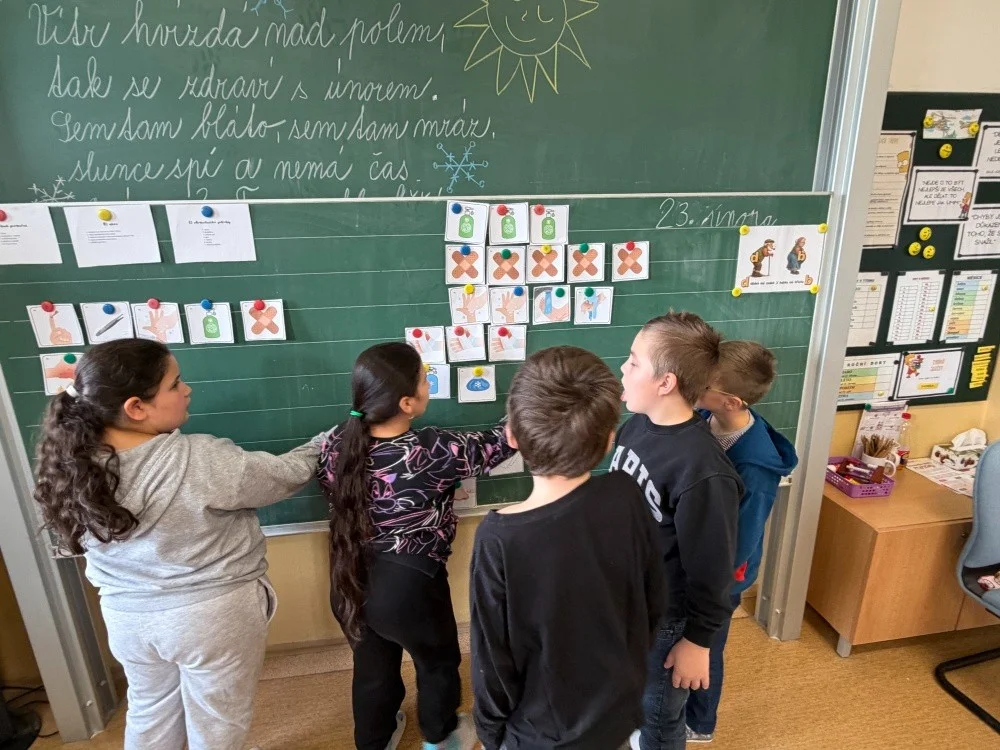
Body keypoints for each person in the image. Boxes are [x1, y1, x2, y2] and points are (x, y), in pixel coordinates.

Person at [32, 339, 324, 750]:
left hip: (128, 618)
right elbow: (282, 476)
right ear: (136, 407)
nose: (187, 390)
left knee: (149, 710)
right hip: (210, 616)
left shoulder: (69, 468)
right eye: (175, 384)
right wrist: (322, 444)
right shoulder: (199, 458)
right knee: (217, 719)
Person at [318, 342, 516, 750]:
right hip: (410, 584)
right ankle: (440, 735)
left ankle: (373, 741)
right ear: (407, 403)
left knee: (371, 666)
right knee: (437, 661)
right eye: (425, 380)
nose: (429, 385)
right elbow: (498, 443)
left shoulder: (335, 443)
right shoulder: (431, 448)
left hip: (349, 577)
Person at [470, 346, 666, 750]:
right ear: (610, 440)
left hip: (541, 734)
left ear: (511, 436)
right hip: (617, 713)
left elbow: (492, 659)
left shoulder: (499, 538)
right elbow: (652, 599)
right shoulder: (626, 494)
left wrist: (490, 735)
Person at [613, 312, 743, 750]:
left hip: (670, 620)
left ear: (665, 382)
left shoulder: (703, 471)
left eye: (634, 362)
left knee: (660, 716)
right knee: (636, 697)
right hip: (635, 601)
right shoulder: (637, 424)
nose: (623, 369)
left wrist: (697, 642)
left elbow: (713, 570)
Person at [687, 340, 798, 743]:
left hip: (725, 574)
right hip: (701, 557)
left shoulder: (754, 467)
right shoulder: (707, 416)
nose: (692, 385)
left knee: (705, 647)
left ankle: (701, 724)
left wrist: (715, 588)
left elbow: (743, 541)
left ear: (731, 401)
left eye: (703, 384)